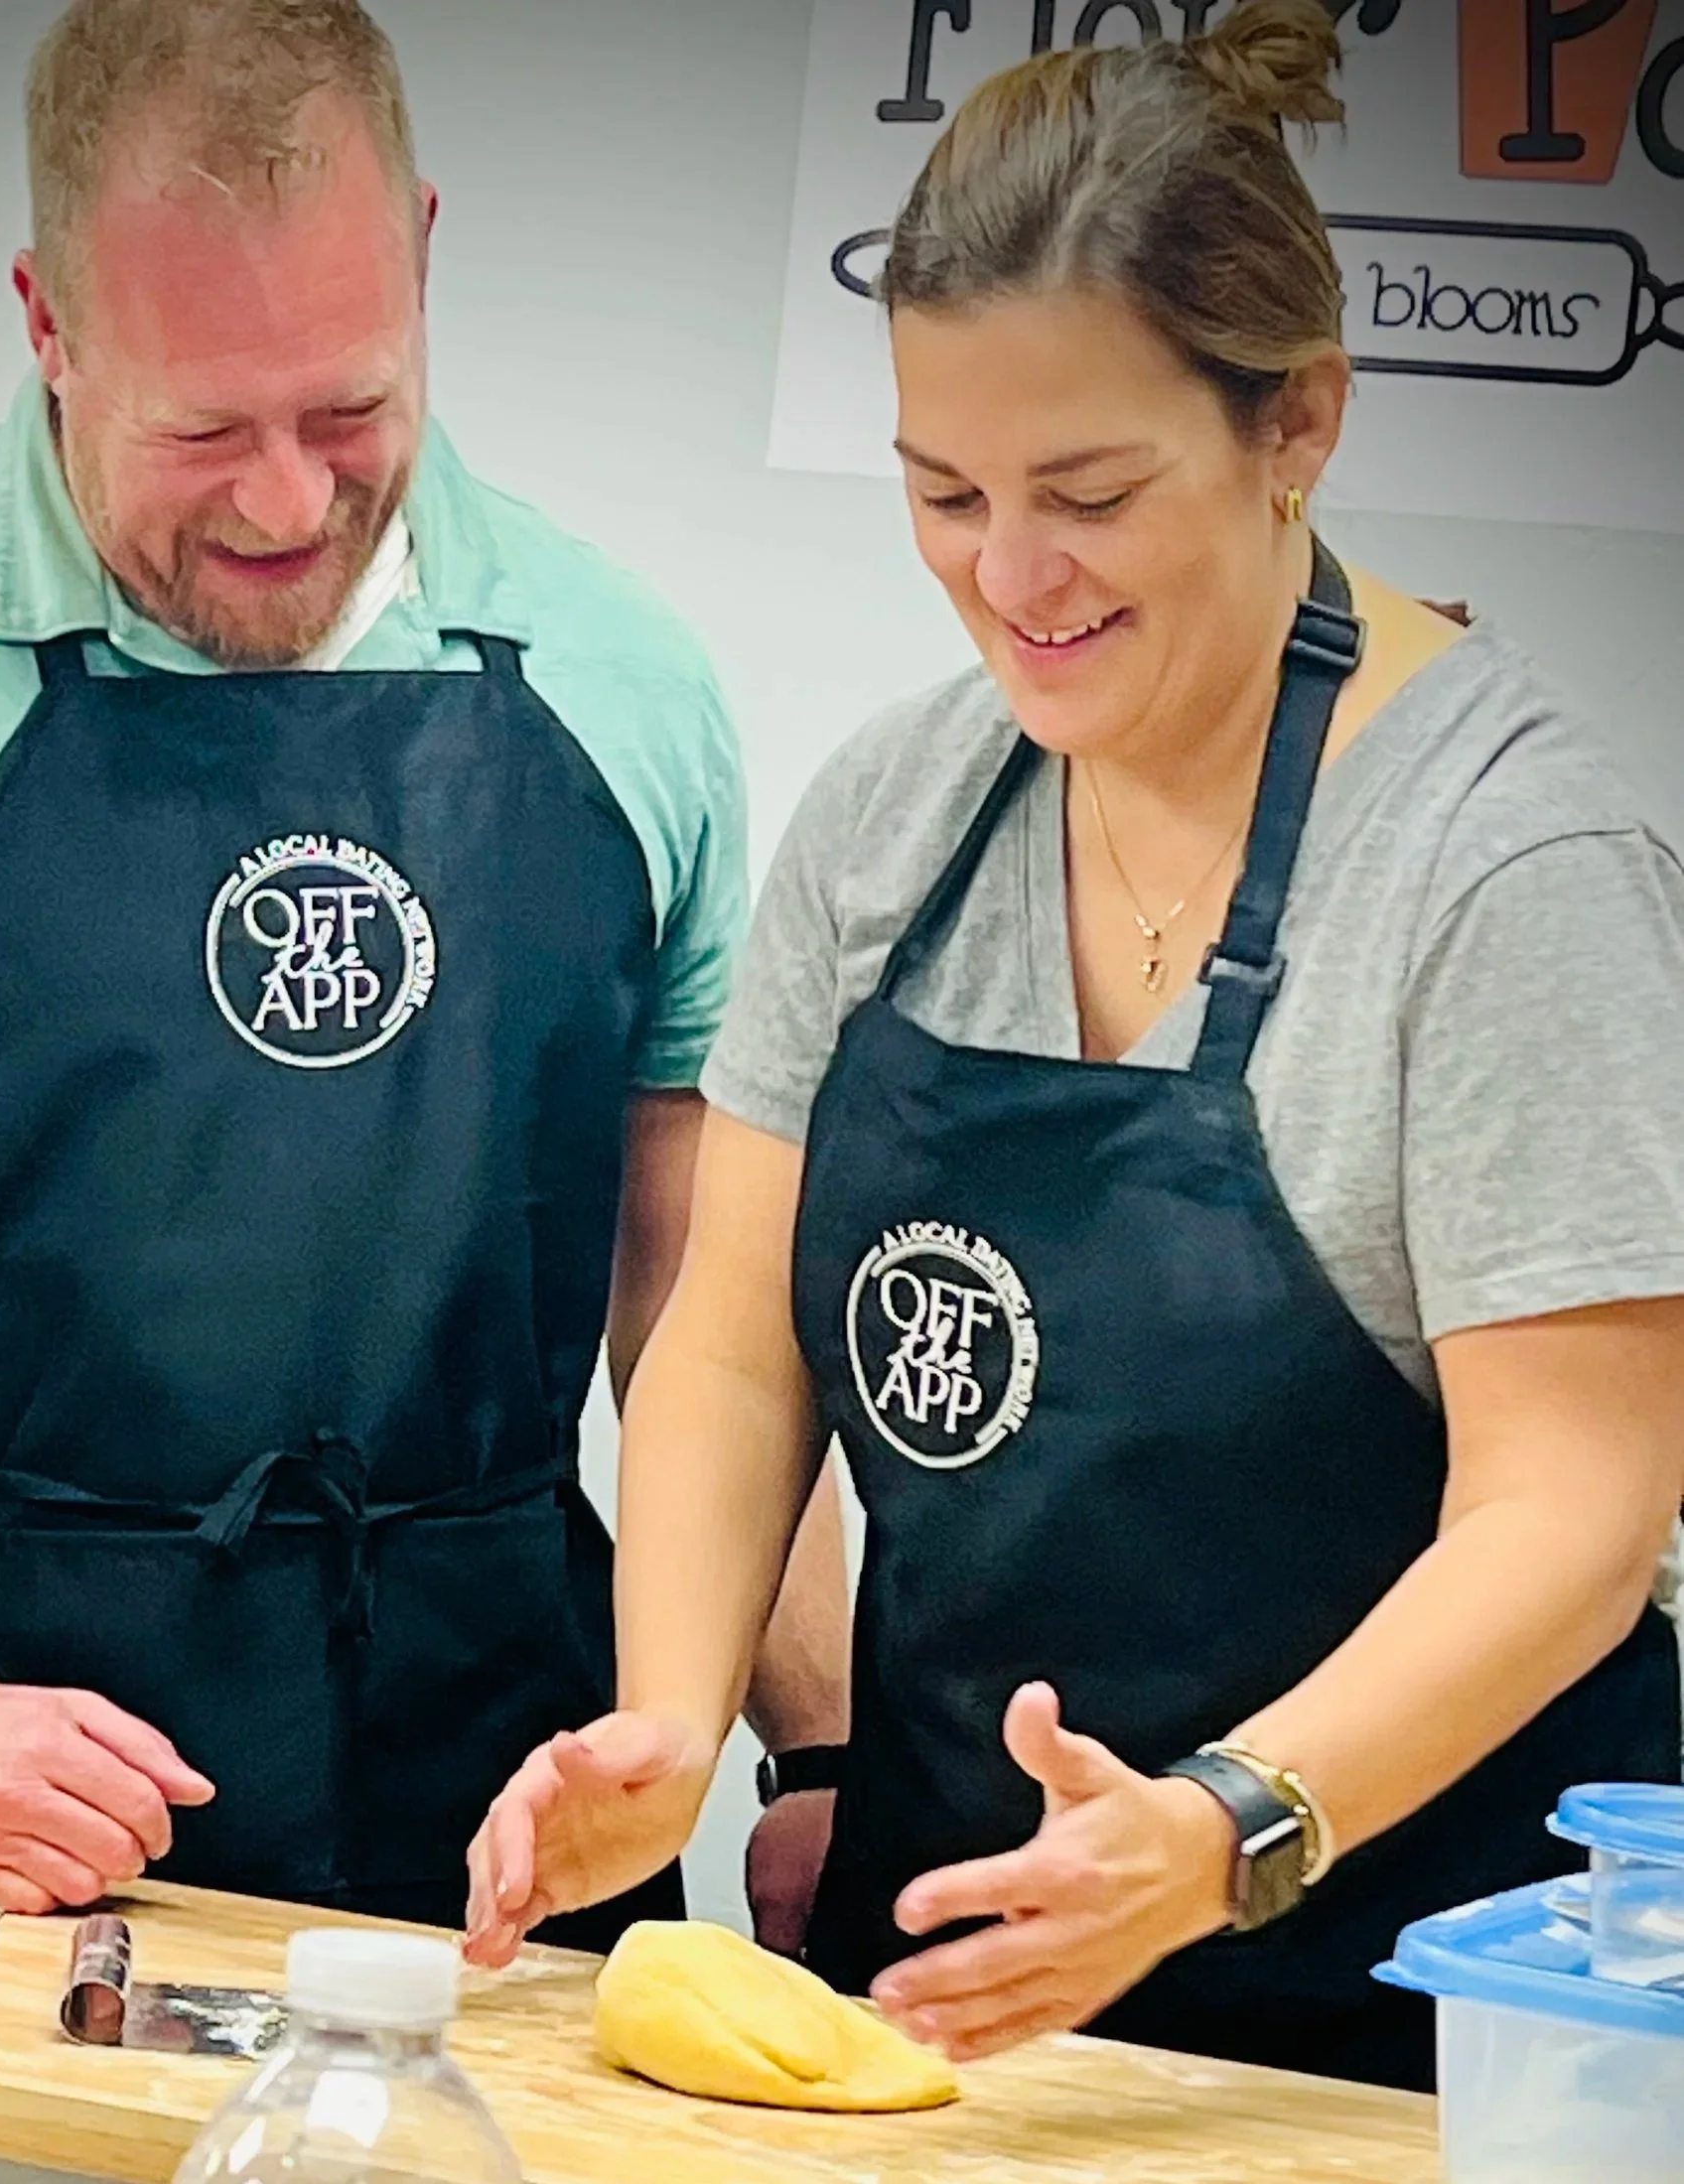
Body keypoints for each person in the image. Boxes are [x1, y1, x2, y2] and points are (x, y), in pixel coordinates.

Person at [463, 0, 1684, 2088]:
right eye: (941, 492)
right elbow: (741, 1339)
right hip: (944, 2014)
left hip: (1401, 2041)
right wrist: (668, 1717)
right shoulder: (893, 819)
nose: (1005, 578)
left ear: (1293, 419)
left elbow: (1570, 1501)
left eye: (1085, 493)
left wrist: (1221, 1825)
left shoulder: (1501, 862)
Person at [0, 0, 846, 1945]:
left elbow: (700, 1294)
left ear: (424, 255)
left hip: (502, 1844)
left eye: (348, 414)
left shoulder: (627, 680)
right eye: (198, 432)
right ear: (45, 319)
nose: (279, 503)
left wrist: (818, 1744)